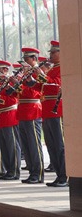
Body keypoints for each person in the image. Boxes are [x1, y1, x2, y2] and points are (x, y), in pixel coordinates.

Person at [14, 47, 46, 184]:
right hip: (23, 111)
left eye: (27, 59)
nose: (24, 62)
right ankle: (32, 171)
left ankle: (38, 173)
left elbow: (34, 92)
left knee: (34, 144)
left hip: (32, 110)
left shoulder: (39, 72)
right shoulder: (27, 74)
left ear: (33, 59)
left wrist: (21, 85)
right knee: (26, 145)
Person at [42, 41, 67, 187]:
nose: (50, 55)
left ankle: (65, 176)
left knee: (59, 145)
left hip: (57, 109)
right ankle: (59, 175)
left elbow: (57, 85)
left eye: (53, 52)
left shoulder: (62, 68)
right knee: (51, 145)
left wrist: (43, 77)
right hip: (47, 110)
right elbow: (43, 87)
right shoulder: (51, 69)